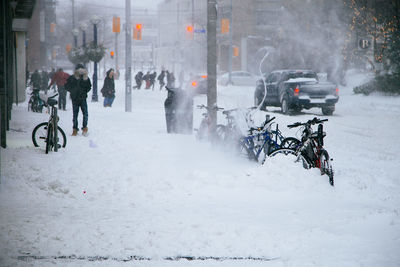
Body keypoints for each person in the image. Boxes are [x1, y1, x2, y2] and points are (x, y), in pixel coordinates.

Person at [65, 63, 92, 136]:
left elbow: (66, 86)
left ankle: (75, 129)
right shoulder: (85, 78)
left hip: (75, 98)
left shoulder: (73, 77)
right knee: (84, 114)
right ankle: (84, 128)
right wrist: (83, 92)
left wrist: (73, 92)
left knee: (75, 115)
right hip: (81, 98)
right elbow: (89, 87)